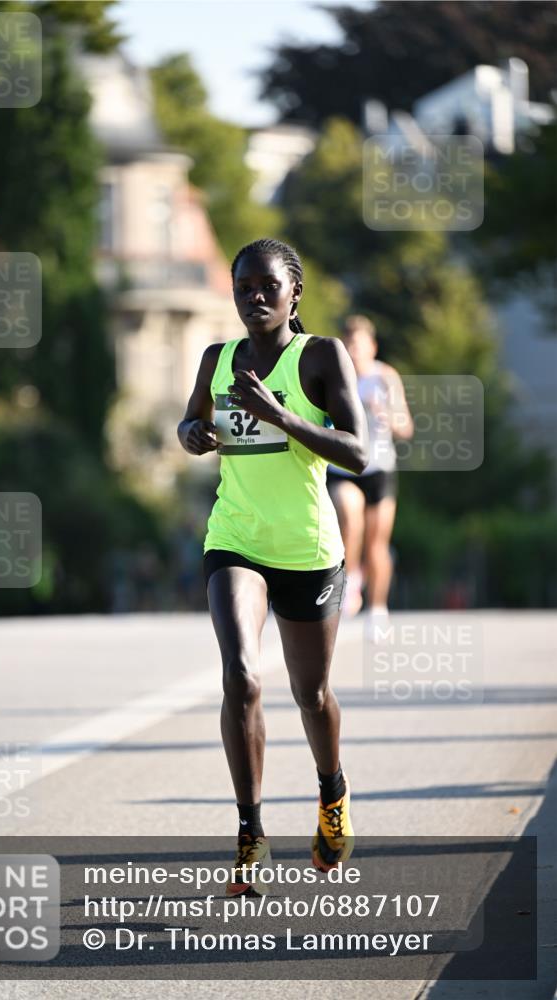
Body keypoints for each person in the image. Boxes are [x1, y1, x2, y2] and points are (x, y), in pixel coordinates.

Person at [177, 238, 368, 895]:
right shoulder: (217, 358)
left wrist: (280, 415)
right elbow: (190, 422)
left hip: (308, 550)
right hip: (236, 538)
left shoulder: (320, 356)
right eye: (243, 288)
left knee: (311, 694)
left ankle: (331, 790)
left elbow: (357, 452)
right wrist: (191, 434)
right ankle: (250, 833)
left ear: (295, 294)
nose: (254, 297)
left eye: (267, 286)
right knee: (241, 675)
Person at [326, 316, 413, 633]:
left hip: (379, 468)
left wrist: (387, 415)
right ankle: (352, 578)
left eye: (359, 346)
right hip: (343, 467)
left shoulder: (385, 377)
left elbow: (406, 427)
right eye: (349, 345)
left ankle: (377, 609)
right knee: (350, 514)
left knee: (378, 544)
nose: (354, 352)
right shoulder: (333, 376)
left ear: (372, 348)